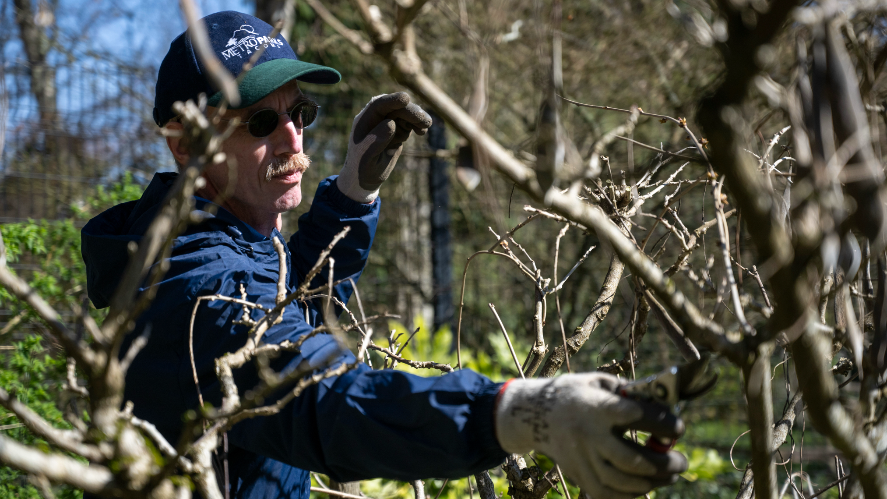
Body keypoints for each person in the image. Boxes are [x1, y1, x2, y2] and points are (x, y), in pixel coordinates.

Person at [81, 11, 687, 499]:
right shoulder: (194, 288)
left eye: (301, 113)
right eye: (262, 121)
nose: (294, 138)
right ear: (187, 145)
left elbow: (290, 303)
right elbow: (323, 401)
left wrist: (351, 193)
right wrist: (516, 413)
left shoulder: (229, 246)